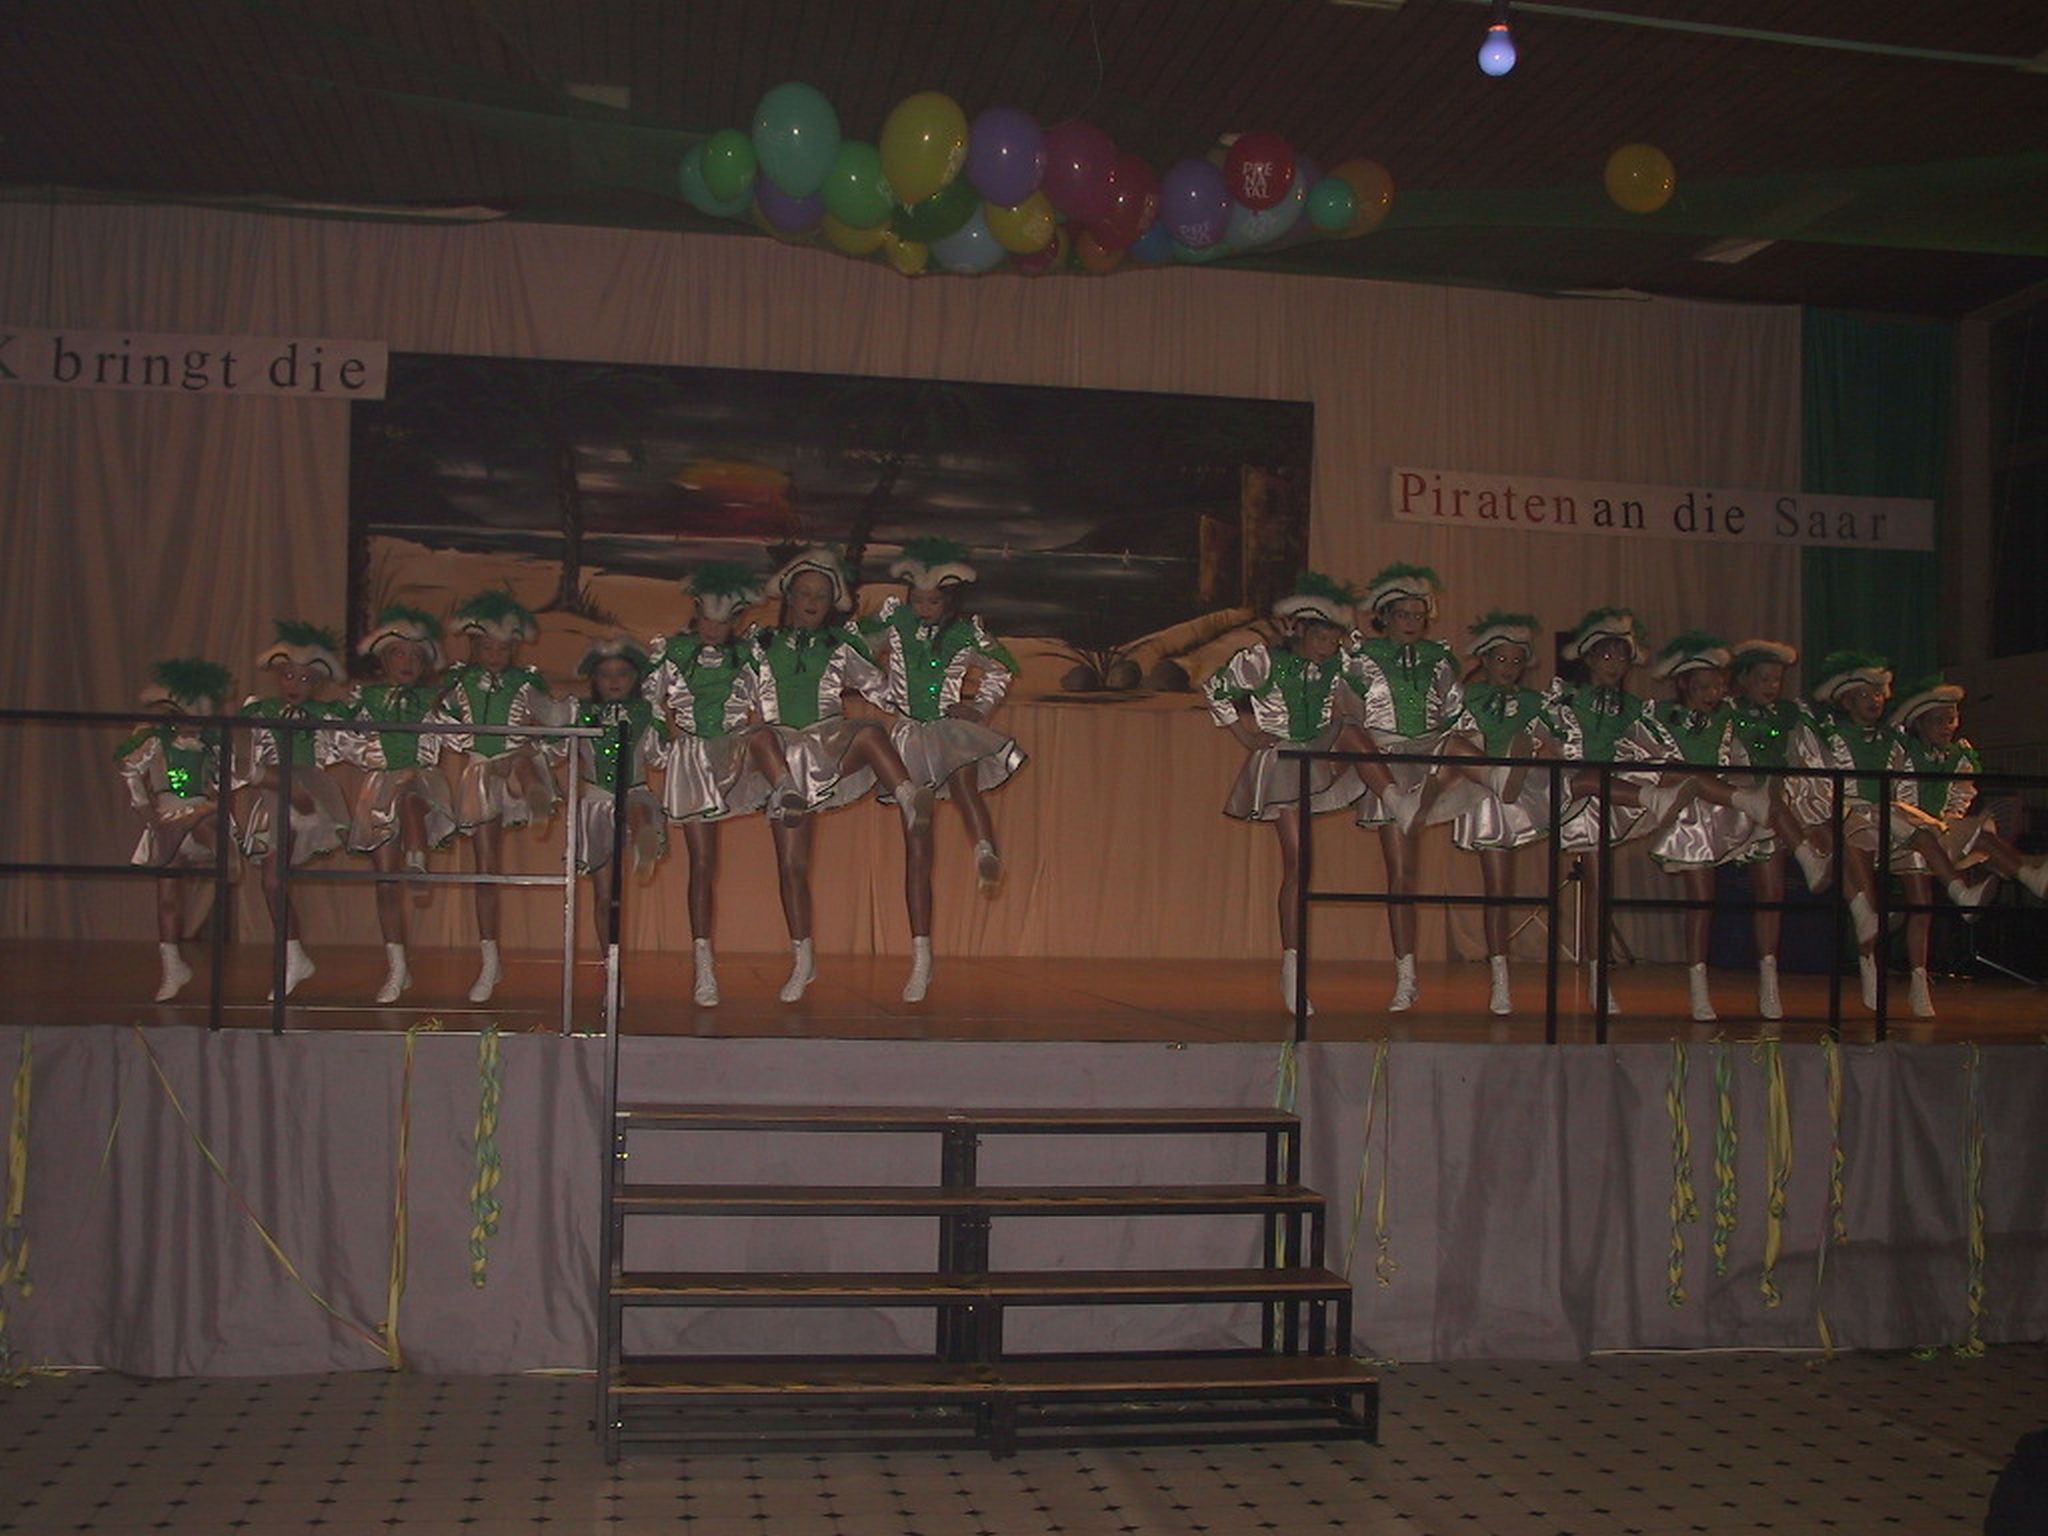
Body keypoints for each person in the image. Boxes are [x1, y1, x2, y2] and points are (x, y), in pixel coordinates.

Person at [749, 547, 935, 1004]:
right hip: (782, 760)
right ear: (790, 597)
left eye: (821, 594)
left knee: (869, 732)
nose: (812, 601)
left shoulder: (839, 647)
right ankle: (803, 959)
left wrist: (919, 674)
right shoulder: (760, 645)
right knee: (791, 866)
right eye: (805, 593)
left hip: (828, 744)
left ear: (832, 602)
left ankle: (908, 796)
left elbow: (884, 692)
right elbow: (734, 695)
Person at [1205, 573, 1369, 1015]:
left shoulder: (1337, 664)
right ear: (1299, 631)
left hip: (1322, 752)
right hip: (1285, 763)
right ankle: (1292, 966)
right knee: (1300, 864)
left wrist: (1353, 646)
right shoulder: (1266, 662)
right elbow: (1216, 688)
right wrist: (1246, 736)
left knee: (1357, 733)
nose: (1327, 647)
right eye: (1320, 637)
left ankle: (1393, 798)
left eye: (1333, 639)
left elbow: (1366, 684)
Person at [1803, 652, 1992, 1015]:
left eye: (1878, 693)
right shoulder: (1829, 735)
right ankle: (1869, 971)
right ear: (1845, 700)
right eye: (1864, 694)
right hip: (1852, 820)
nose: (1874, 700)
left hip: (1890, 819)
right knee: (1868, 905)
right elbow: (1818, 786)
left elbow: (1904, 786)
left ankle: (1921, 977)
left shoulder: (1894, 740)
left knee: (1921, 893)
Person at [1547, 608, 1694, 1015]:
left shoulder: (1632, 706)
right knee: (1593, 882)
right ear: (1589, 657)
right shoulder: (1566, 696)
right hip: (1572, 790)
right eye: (1606, 656)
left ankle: (1598, 977)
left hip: (1612, 799)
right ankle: (1594, 979)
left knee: (1600, 888)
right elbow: (1549, 738)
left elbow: (1661, 748)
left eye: (1622, 657)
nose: (1614, 665)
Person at [864, 537, 1026, 899]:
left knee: (965, 785)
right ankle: (921, 811)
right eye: (918, 600)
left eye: (933, 602)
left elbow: (1000, 669)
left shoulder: (963, 635)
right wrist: (883, 692)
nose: (924, 608)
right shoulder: (897, 625)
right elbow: (856, 651)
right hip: (908, 733)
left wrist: (979, 709)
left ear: (950, 601)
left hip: (949, 727)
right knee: (914, 813)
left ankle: (985, 852)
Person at [644, 564, 777, 1007]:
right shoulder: (673, 652)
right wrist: (662, 741)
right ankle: (703, 961)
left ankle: (787, 789)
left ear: (735, 620)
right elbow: (649, 702)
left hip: (736, 754)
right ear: (696, 614)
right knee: (703, 863)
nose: (713, 629)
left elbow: (770, 708)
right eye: (706, 619)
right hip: (692, 761)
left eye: (722, 622)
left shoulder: (749, 655)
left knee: (768, 747)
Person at [1343, 563, 1465, 1013]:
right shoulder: (1363, 657)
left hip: (1430, 758)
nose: (1412, 623)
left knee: (1467, 750)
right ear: (1385, 616)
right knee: (1400, 873)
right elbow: (1349, 715)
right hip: (1389, 764)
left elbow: (1455, 714)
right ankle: (1406, 975)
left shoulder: (1439, 658)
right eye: (1402, 614)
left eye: (1418, 615)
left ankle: (1433, 792)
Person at [1888, 675, 2048, 1017]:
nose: (1948, 726)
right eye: (1939, 720)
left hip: (1939, 833)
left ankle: (2025, 874)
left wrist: (1949, 826)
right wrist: (1937, 827)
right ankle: (1918, 982)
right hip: (1906, 835)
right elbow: (1900, 801)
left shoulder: (1959, 756)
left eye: (1951, 719)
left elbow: (1958, 802)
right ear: (1919, 723)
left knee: (1980, 832)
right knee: (1921, 907)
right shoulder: (1903, 753)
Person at [1646, 633, 1778, 1022]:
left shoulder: (1730, 717)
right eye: (1702, 686)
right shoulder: (1664, 718)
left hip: (1730, 806)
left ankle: (1769, 978)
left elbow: (1755, 748)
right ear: (1683, 684)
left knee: (1770, 891)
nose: (1712, 693)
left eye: (1718, 685)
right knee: (1702, 902)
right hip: (1691, 814)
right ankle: (1698, 986)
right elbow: (1660, 767)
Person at [435, 590, 558, 1004]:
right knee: (485, 869)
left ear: (514, 648)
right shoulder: (460, 681)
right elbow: (438, 718)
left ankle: (535, 794)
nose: (494, 656)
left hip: (517, 758)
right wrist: (467, 742)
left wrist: (529, 741)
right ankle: (490, 958)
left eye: (503, 648)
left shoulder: (526, 682)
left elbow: (551, 724)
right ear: (474, 646)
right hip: (479, 771)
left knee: (521, 763)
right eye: (487, 647)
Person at [1440, 612, 1562, 1017]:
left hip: (1522, 794)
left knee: (1503, 888)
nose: (1509, 668)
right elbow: (1448, 733)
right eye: (1501, 659)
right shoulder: (1468, 697)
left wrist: (1545, 750)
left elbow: (1555, 744)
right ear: (1486, 660)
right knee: (1495, 887)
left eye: (1516, 661)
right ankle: (1499, 976)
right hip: (1483, 794)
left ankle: (1503, 972)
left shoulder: (1534, 702)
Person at [335, 606, 457, 1005]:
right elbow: (345, 740)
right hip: (379, 785)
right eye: (398, 654)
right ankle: (397, 965)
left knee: (408, 790)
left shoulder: (431, 699)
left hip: (420, 779)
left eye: (415, 656)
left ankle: (418, 857)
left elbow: (458, 736)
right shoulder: (367, 698)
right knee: (386, 882)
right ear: (383, 659)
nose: (407, 663)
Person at [231, 621, 352, 998]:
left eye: (304, 678)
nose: (294, 685)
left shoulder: (325, 714)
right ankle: (294, 955)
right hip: (274, 794)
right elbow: (239, 756)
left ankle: (293, 956)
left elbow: (354, 743)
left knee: (273, 878)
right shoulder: (259, 709)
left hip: (308, 792)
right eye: (287, 675)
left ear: (316, 683)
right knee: (271, 881)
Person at [118, 658, 230, 1002]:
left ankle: (225, 853)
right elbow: (130, 770)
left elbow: (225, 785)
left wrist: (210, 803)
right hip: (166, 816)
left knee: (205, 819)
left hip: (202, 816)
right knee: (167, 896)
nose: (192, 724)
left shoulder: (211, 746)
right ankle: (172, 965)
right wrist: (147, 813)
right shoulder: (157, 742)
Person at [566, 638, 668, 950]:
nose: (614, 681)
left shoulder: (644, 712)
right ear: (594, 679)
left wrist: (665, 733)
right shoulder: (581, 710)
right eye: (605, 674)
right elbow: (558, 747)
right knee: (604, 893)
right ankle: (609, 960)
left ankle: (643, 841)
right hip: (596, 799)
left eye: (622, 674)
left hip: (633, 789)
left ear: (635, 678)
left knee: (638, 806)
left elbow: (658, 756)